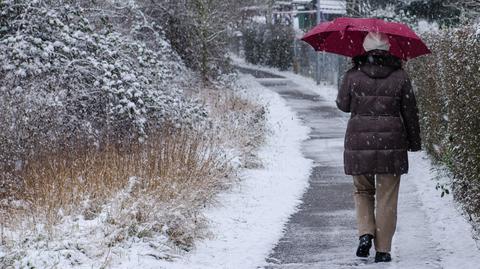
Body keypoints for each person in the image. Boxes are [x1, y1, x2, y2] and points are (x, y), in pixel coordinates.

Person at [336, 32, 422, 263]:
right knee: (387, 197)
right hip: (392, 143)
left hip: (359, 142)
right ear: (389, 50)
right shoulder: (400, 76)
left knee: (362, 191)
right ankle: (383, 250)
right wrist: (414, 143)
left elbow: (343, 105)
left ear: (364, 50)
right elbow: (410, 112)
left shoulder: (353, 75)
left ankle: (365, 233)